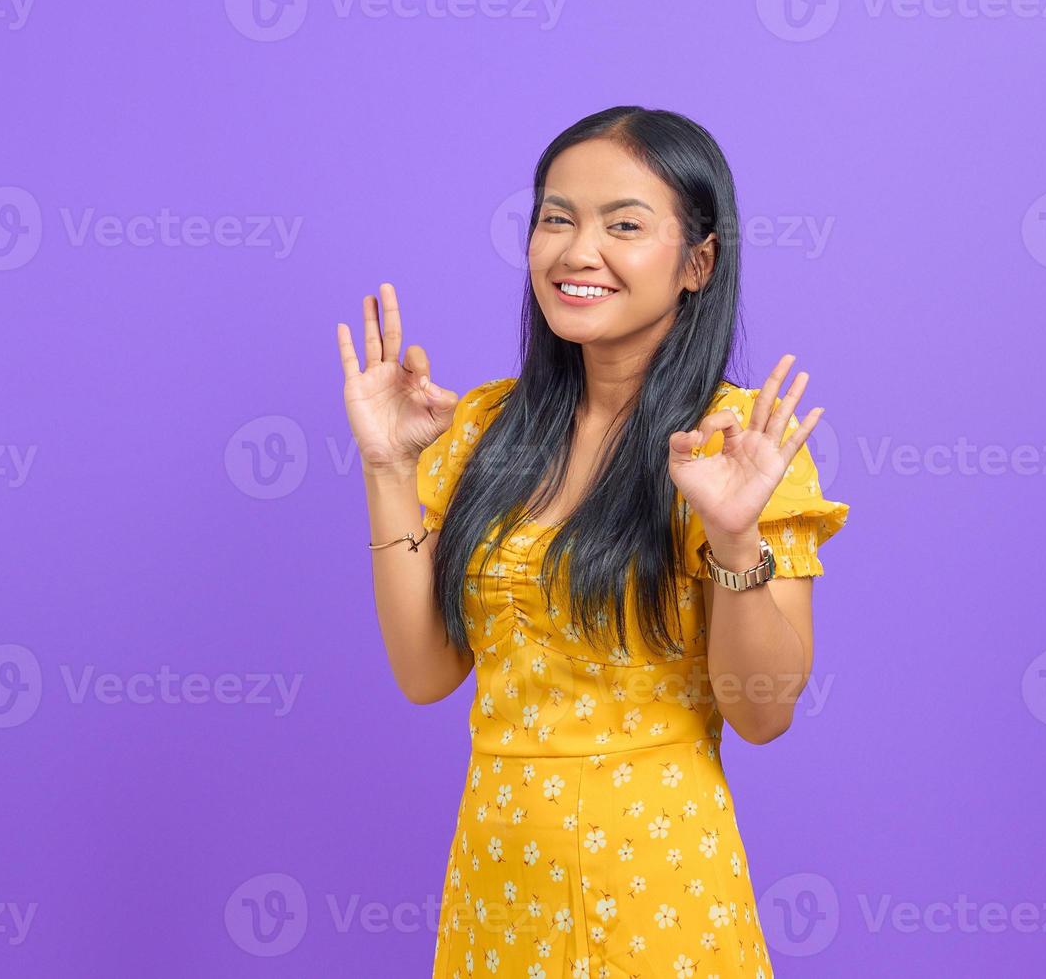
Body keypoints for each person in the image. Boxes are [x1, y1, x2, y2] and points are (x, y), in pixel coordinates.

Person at [336, 106, 849, 979]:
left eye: (624, 225)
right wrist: (388, 469)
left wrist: (732, 534)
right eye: (556, 218)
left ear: (698, 262)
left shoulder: (738, 446)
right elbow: (426, 675)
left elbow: (763, 713)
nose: (577, 251)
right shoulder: (483, 431)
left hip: (659, 893)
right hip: (499, 893)